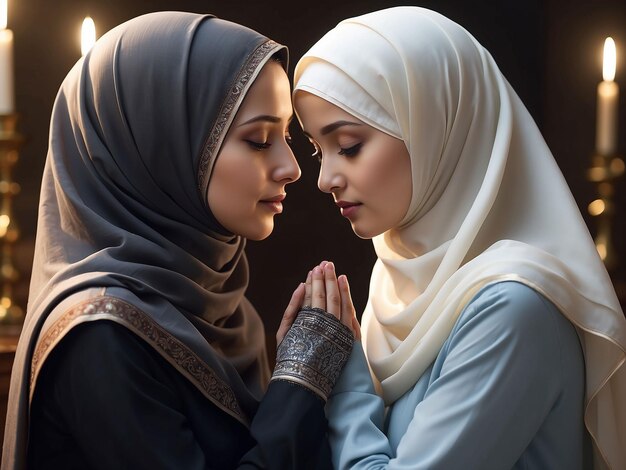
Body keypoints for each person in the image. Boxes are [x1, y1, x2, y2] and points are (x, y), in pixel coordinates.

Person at [2, 11, 357, 470]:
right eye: (259, 139)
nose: (291, 167)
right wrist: (300, 382)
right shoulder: (99, 336)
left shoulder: (211, 303)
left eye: (286, 136)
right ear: (161, 145)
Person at [292, 6, 626, 469]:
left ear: (434, 127)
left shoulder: (513, 308)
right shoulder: (402, 287)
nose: (325, 177)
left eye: (348, 145)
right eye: (317, 149)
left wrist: (345, 380)